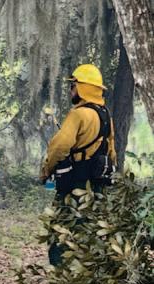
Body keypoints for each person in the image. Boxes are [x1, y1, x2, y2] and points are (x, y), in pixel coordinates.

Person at [39, 64, 116, 266]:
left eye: (73, 86)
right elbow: (112, 150)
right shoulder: (105, 114)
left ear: (82, 87)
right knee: (93, 230)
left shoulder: (79, 114)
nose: (70, 90)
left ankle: (60, 275)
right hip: (98, 186)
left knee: (61, 230)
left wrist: (47, 170)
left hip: (75, 186)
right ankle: (90, 274)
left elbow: (59, 146)